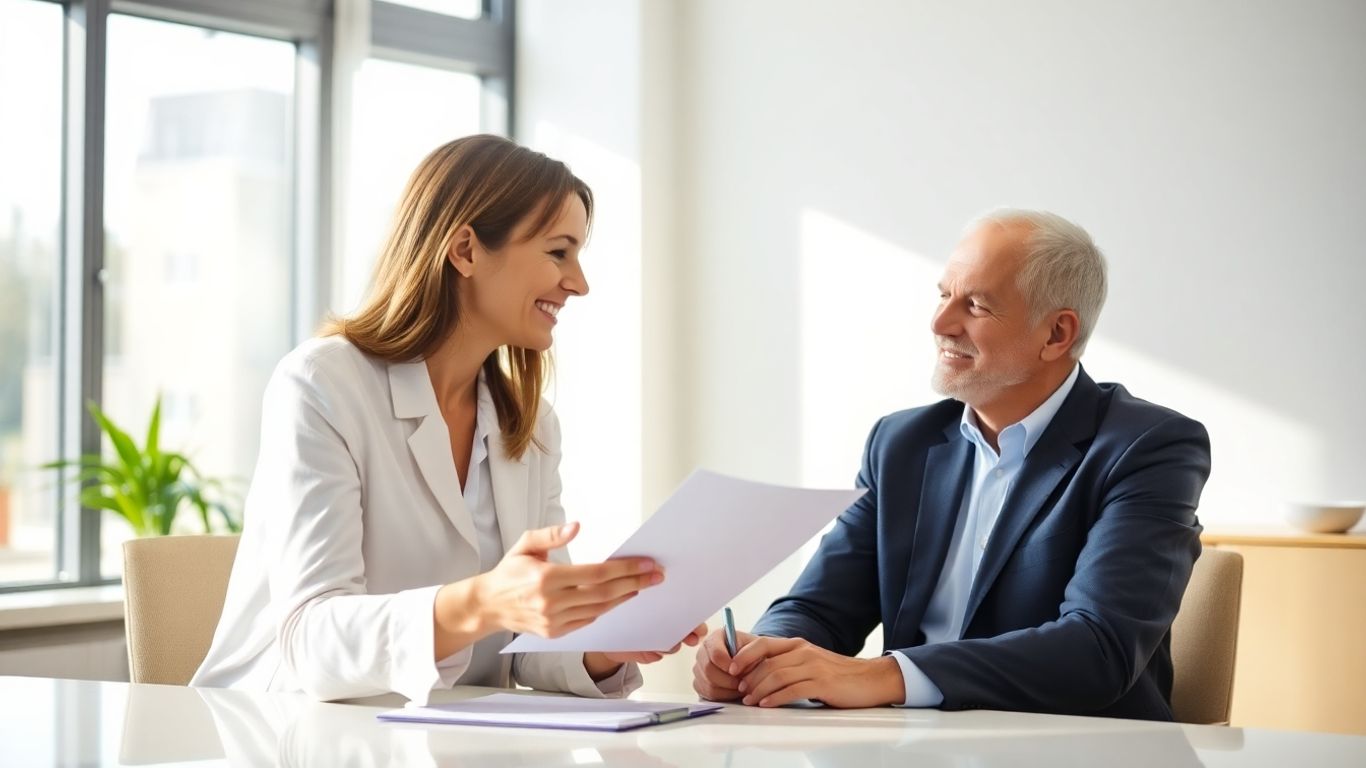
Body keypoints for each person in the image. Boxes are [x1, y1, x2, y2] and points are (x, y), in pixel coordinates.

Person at [193, 135, 704, 703]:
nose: (579, 283)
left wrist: (607, 642)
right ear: (465, 251)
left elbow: (530, 647)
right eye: (558, 252)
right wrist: (483, 602)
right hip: (286, 729)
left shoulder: (531, 426)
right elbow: (313, 641)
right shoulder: (322, 385)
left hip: (440, 735)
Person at [692, 210, 1211, 720]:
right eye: (943, 295)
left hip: (1076, 748)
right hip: (912, 745)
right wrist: (761, 658)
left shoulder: (1147, 446)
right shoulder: (901, 443)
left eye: (976, 305)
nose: (939, 323)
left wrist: (884, 675)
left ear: (1056, 334)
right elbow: (821, 607)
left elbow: (1098, 650)